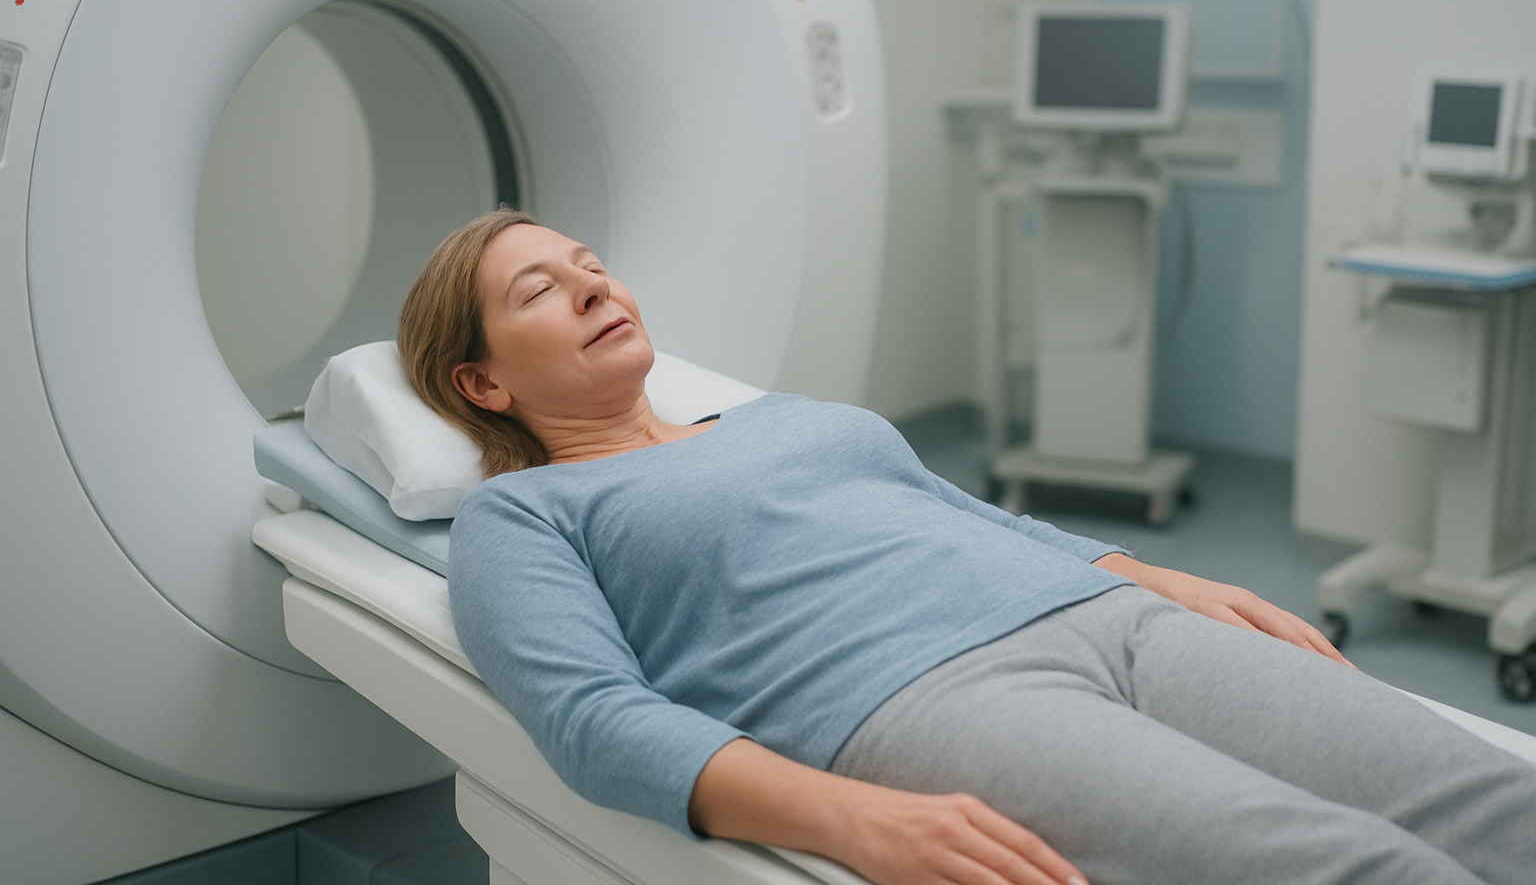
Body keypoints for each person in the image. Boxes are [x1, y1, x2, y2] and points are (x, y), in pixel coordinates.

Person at [397, 210, 1536, 885]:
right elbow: (596, 718)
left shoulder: (784, 417)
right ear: (484, 380)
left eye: (591, 259)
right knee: (1351, 866)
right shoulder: (524, 514)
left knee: (1491, 798)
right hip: (923, 698)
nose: (593, 280)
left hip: (1108, 616)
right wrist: (853, 817)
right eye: (542, 287)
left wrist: (1164, 576)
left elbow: (982, 519)